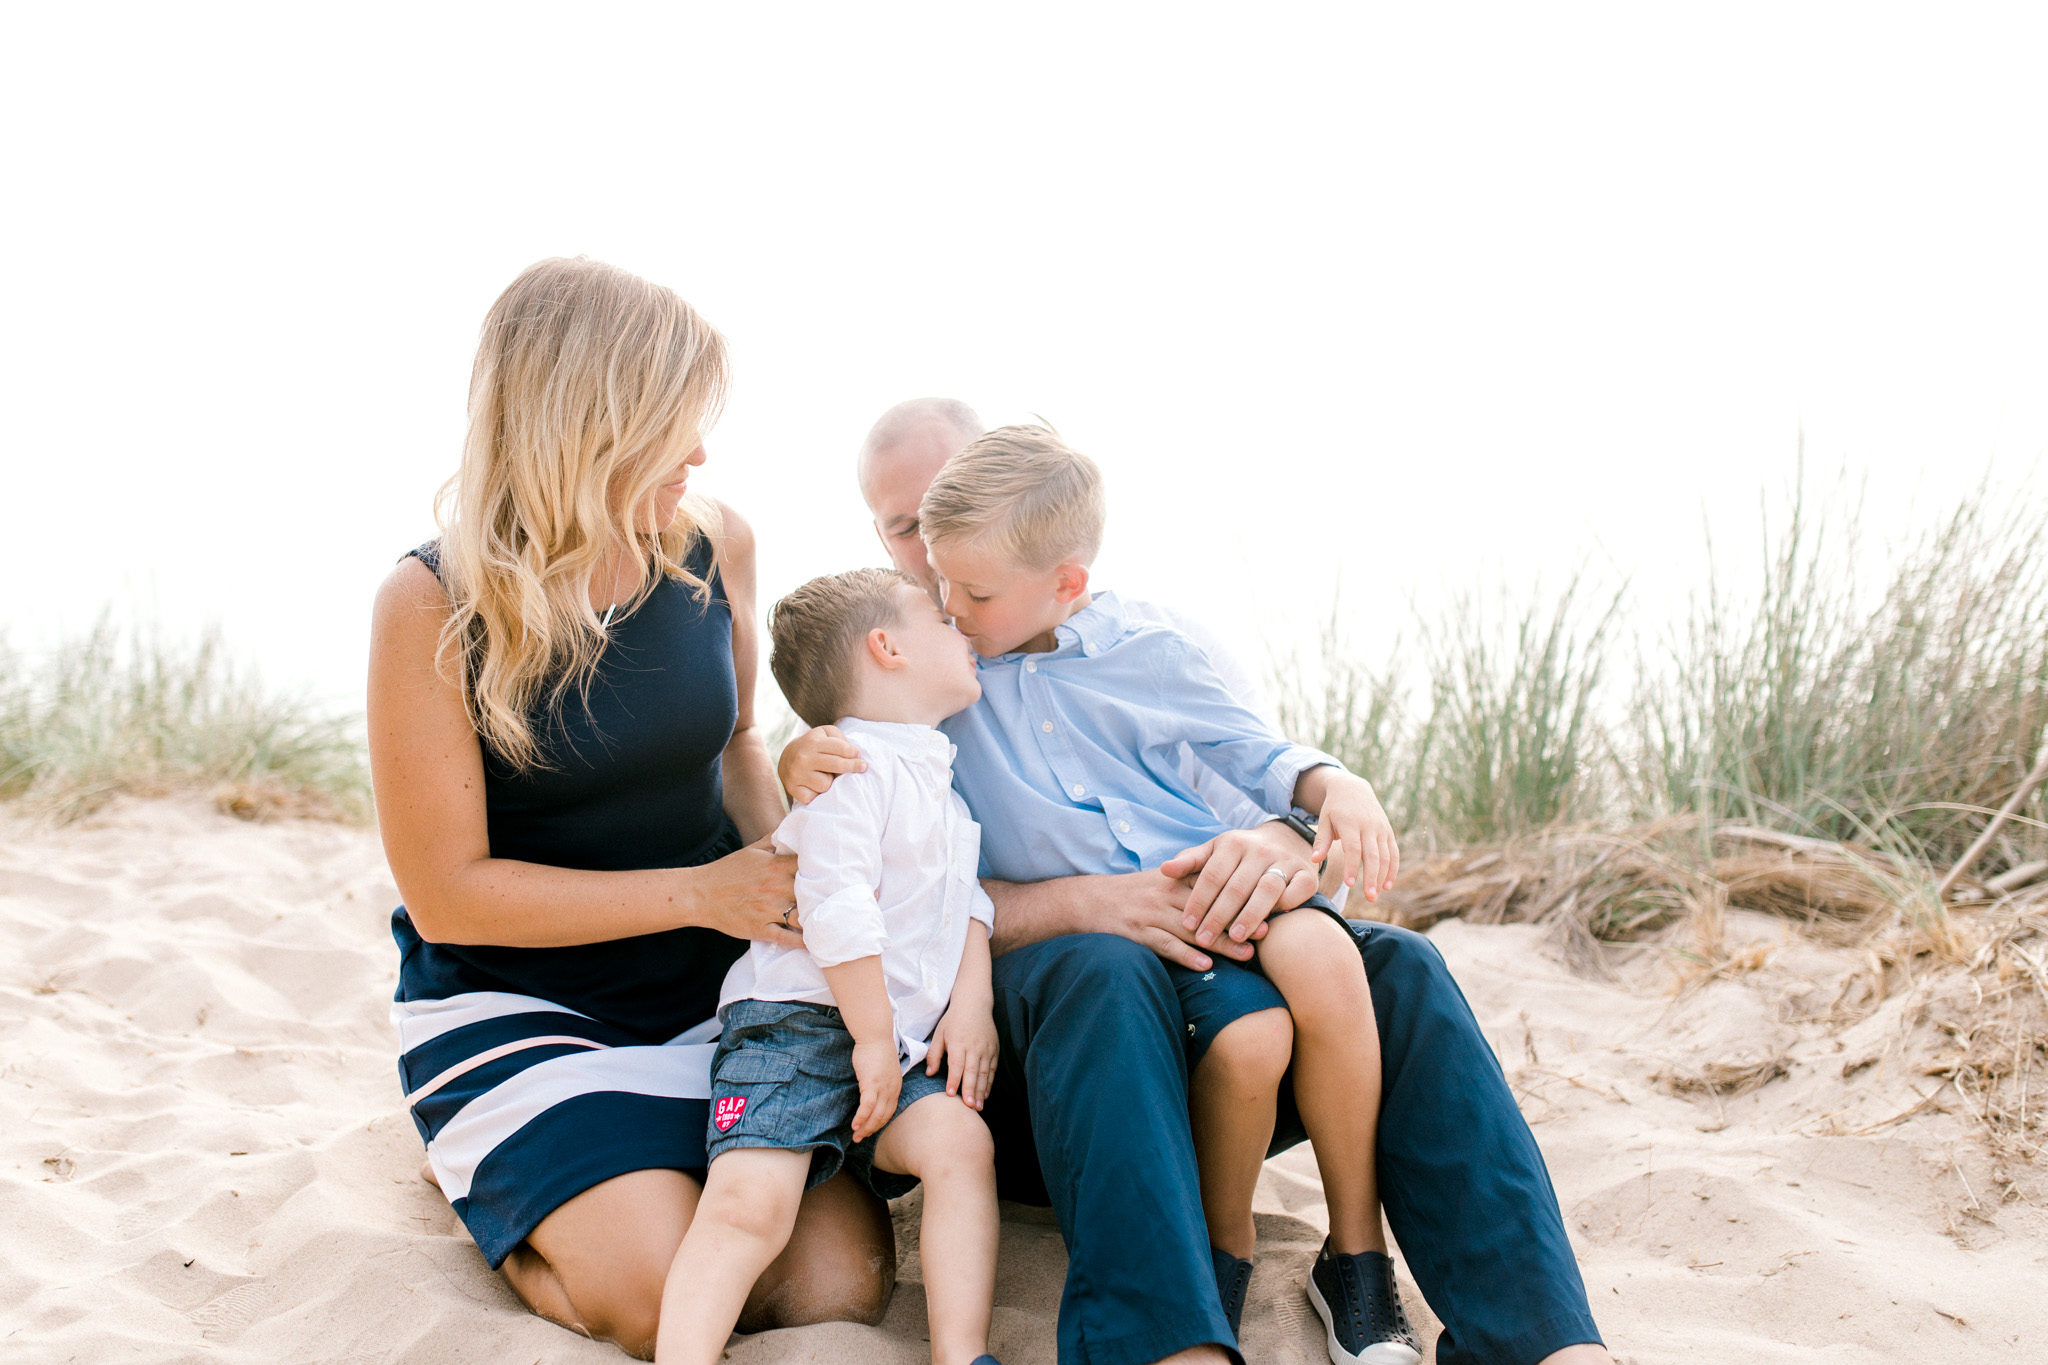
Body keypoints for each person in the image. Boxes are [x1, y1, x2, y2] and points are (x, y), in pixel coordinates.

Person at [781, 400, 1609, 1365]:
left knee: (1400, 970)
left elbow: (1264, 783)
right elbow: (864, 887)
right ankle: (1165, 1342)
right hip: (1051, 1063)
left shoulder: (1152, 645)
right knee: (1102, 966)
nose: (932, 557)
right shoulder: (907, 690)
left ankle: (1536, 1337)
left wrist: (1281, 835)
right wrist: (1089, 902)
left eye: (950, 511)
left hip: (1217, 1014)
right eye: (905, 527)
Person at [367, 257, 896, 1360]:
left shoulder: (713, 542)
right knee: (661, 1302)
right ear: (586, 426)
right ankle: (485, 1179)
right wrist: (703, 893)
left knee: (836, 1288)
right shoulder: (431, 601)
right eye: (673, 425)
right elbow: (451, 899)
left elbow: (743, 738)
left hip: (713, 973)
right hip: (521, 995)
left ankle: (582, 1179)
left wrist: (783, 877)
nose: (699, 456)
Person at [917, 425, 1419, 1365]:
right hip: (1126, 947)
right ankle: (1224, 1249)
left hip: (1209, 891)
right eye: (942, 585)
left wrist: (1333, 783)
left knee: (1327, 952)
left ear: (1067, 582)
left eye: (974, 592)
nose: (951, 608)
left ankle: (1356, 1252)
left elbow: (1256, 760)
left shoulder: (1148, 648)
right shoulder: (945, 671)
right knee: (1255, 1034)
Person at [656, 568, 1004, 1365]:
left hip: (902, 1038)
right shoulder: (852, 769)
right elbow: (836, 905)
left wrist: (971, 1002)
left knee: (960, 1145)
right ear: (887, 648)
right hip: (802, 1025)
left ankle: (963, 1353)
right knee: (750, 1205)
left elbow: (968, 906)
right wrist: (872, 1037)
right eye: (943, 623)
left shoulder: (939, 785)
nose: (965, 633)